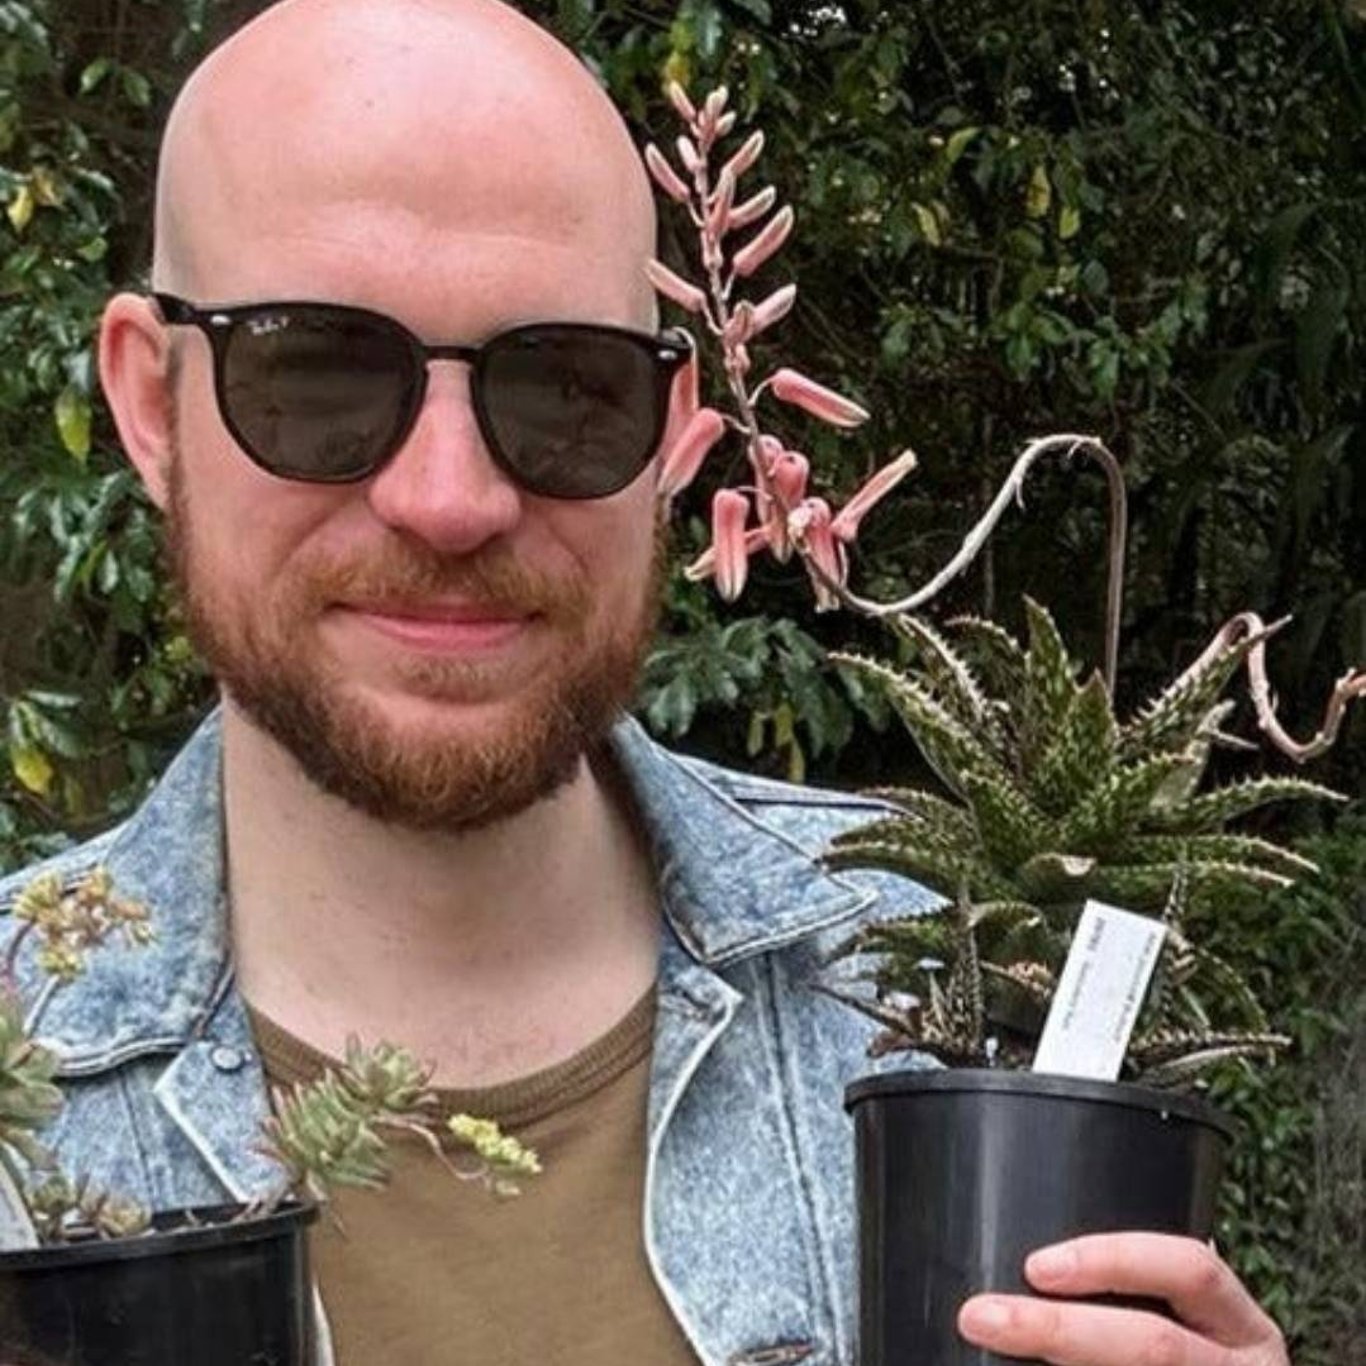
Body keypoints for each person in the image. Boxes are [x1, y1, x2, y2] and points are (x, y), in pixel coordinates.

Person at [0, 1, 1292, 1363]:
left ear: (672, 437)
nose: (450, 499)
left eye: (565, 386)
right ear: (148, 404)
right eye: (315, 374)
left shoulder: (940, 990)